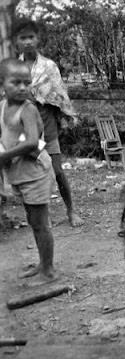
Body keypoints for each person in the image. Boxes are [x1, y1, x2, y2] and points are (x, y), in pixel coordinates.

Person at [12, 18, 83, 227]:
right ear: (17, 41)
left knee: (57, 171)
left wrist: (41, 99)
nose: (27, 42)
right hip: (23, 130)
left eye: (31, 37)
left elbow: (60, 96)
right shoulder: (14, 68)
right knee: (28, 173)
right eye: (23, 38)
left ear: (38, 39)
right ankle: (39, 217)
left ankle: (71, 211)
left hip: (46, 127)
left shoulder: (48, 66)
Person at [0, 58, 57, 282]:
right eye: (16, 82)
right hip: (20, 173)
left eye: (27, 82)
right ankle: (43, 262)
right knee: (33, 220)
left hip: (35, 173)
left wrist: (4, 156)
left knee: (41, 222)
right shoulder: (3, 107)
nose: (23, 87)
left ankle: (49, 270)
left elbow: (32, 141)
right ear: (2, 83)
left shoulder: (28, 109)